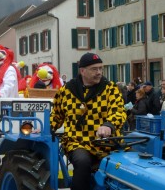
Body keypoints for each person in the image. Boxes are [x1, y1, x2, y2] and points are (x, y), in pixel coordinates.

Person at [50, 52, 126, 190]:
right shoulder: (67, 90)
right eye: (94, 69)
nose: (99, 72)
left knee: (131, 163)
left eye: (100, 68)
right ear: (82, 71)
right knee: (83, 162)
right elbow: (56, 115)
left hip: (107, 142)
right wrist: (47, 128)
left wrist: (108, 125)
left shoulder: (110, 89)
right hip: (77, 142)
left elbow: (118, 111)